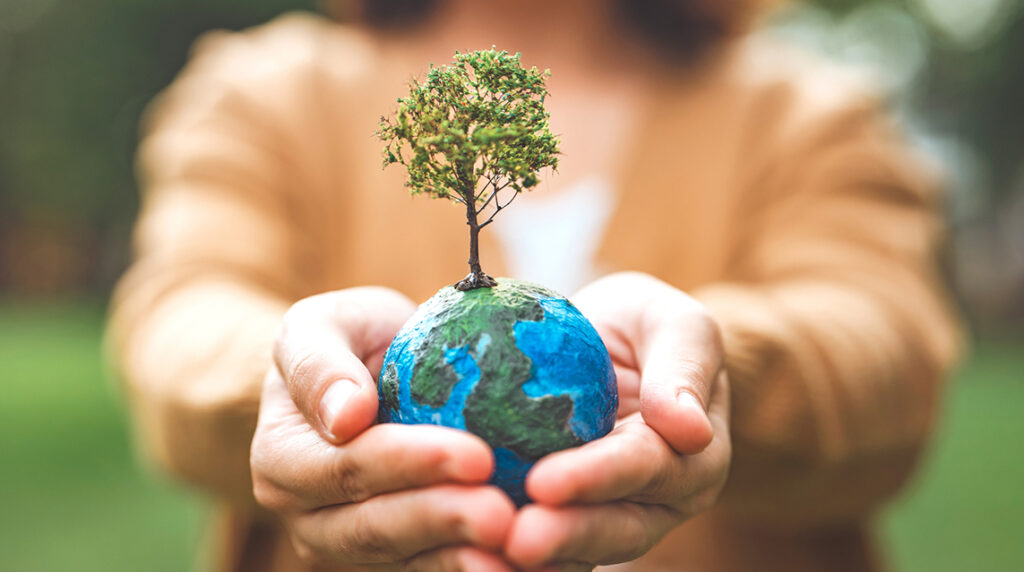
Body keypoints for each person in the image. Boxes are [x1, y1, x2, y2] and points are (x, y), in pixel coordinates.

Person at [108, 0, 962, 570]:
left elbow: (886, 348)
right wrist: (294, 375)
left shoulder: (805, 112)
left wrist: (715, 372)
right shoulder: (270, 93)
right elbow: (182, 317)